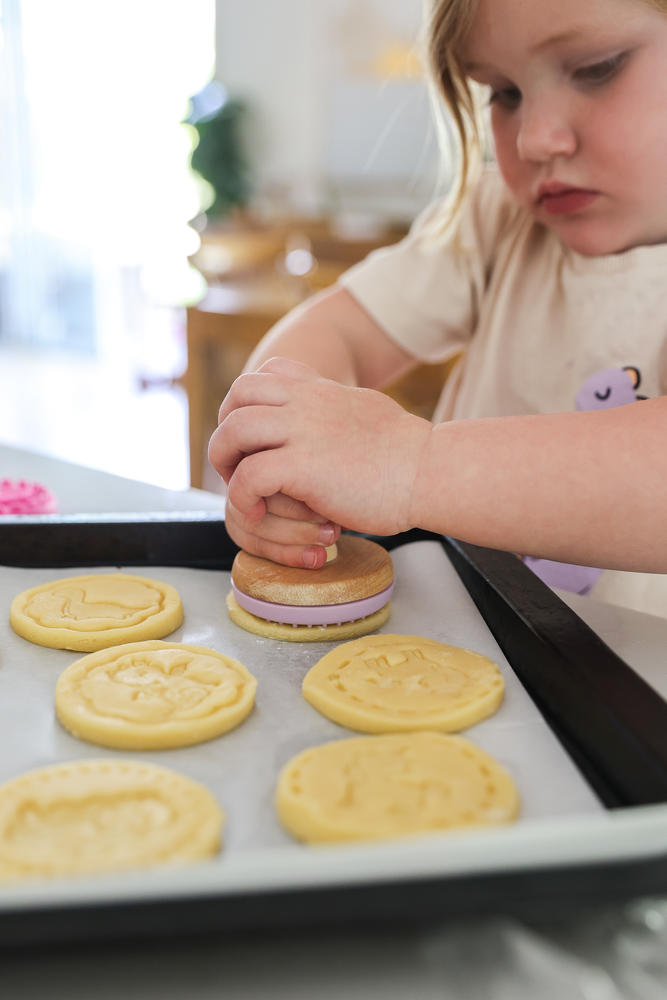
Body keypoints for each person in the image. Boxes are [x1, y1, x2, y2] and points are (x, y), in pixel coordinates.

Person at [208, 0, 667, 618]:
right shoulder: (495, 219)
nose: (534, 139)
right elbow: (339, 329)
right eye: (503, 92)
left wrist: (412, 466)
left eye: (596, 68)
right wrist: (283, 444)